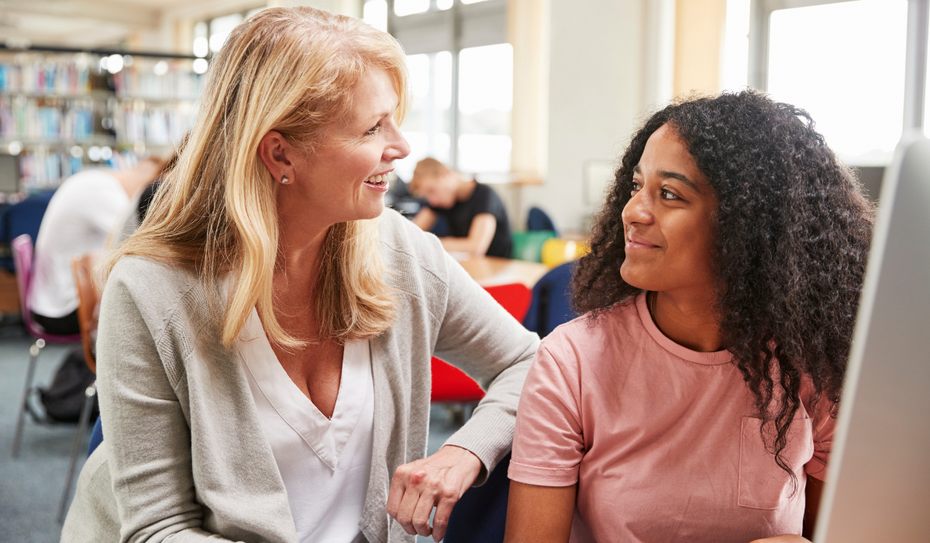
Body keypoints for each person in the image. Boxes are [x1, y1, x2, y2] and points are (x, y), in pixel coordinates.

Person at [61, 7, 537, 543]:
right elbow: (158, 529)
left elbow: (529, 362)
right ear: (280, 153)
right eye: (372, 126)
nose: (401, 147)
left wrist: (465, 449)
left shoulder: (400, 253)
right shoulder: (151, 291)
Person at [504, 91, 875, 543]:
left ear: (746, 226)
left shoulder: (810, 365)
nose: (632, 211)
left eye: (669, 194)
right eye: (637, 186)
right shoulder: (572, 361)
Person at [28, 156, 168, 335]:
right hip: (62, 310)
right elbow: (141, 243)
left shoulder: (95, 180)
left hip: (51, 299)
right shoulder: (104, 192)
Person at [409, 157, 513, 258]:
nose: (432, 201)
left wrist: (429, 242)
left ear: (445, 173)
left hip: (496, 267)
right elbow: (411, 235)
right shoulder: (442, 200)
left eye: (431, 191)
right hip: (467, 266)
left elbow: (476, 248)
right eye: (427, 196)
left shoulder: (485, 195)